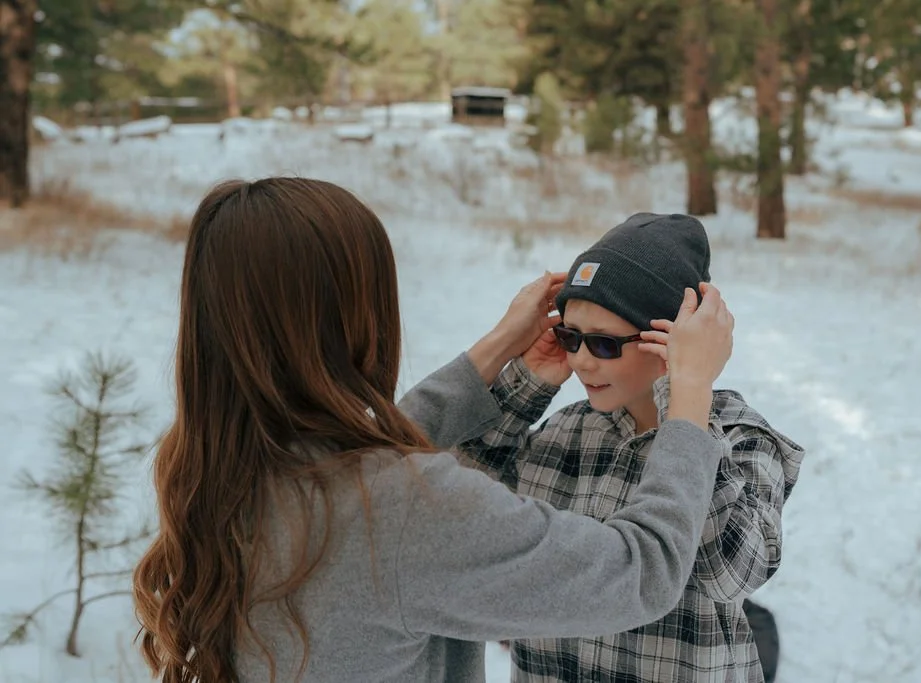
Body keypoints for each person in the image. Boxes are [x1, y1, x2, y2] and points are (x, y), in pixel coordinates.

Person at [130, 179, 736, 683]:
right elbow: (645, 570)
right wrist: (689, 398)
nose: (583, 358)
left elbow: (362, 461)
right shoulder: (401, 512)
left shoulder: (219, 468)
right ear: (358, 316)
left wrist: (498, 347)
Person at [417, 213, 805, 683]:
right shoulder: (565, 433)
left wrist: (686, 390)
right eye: (570, 336)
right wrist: (527, 385)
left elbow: (734, 573)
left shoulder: (741, 438)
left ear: (667, 340)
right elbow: (449, 500)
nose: (579, 359)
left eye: (602, 343)